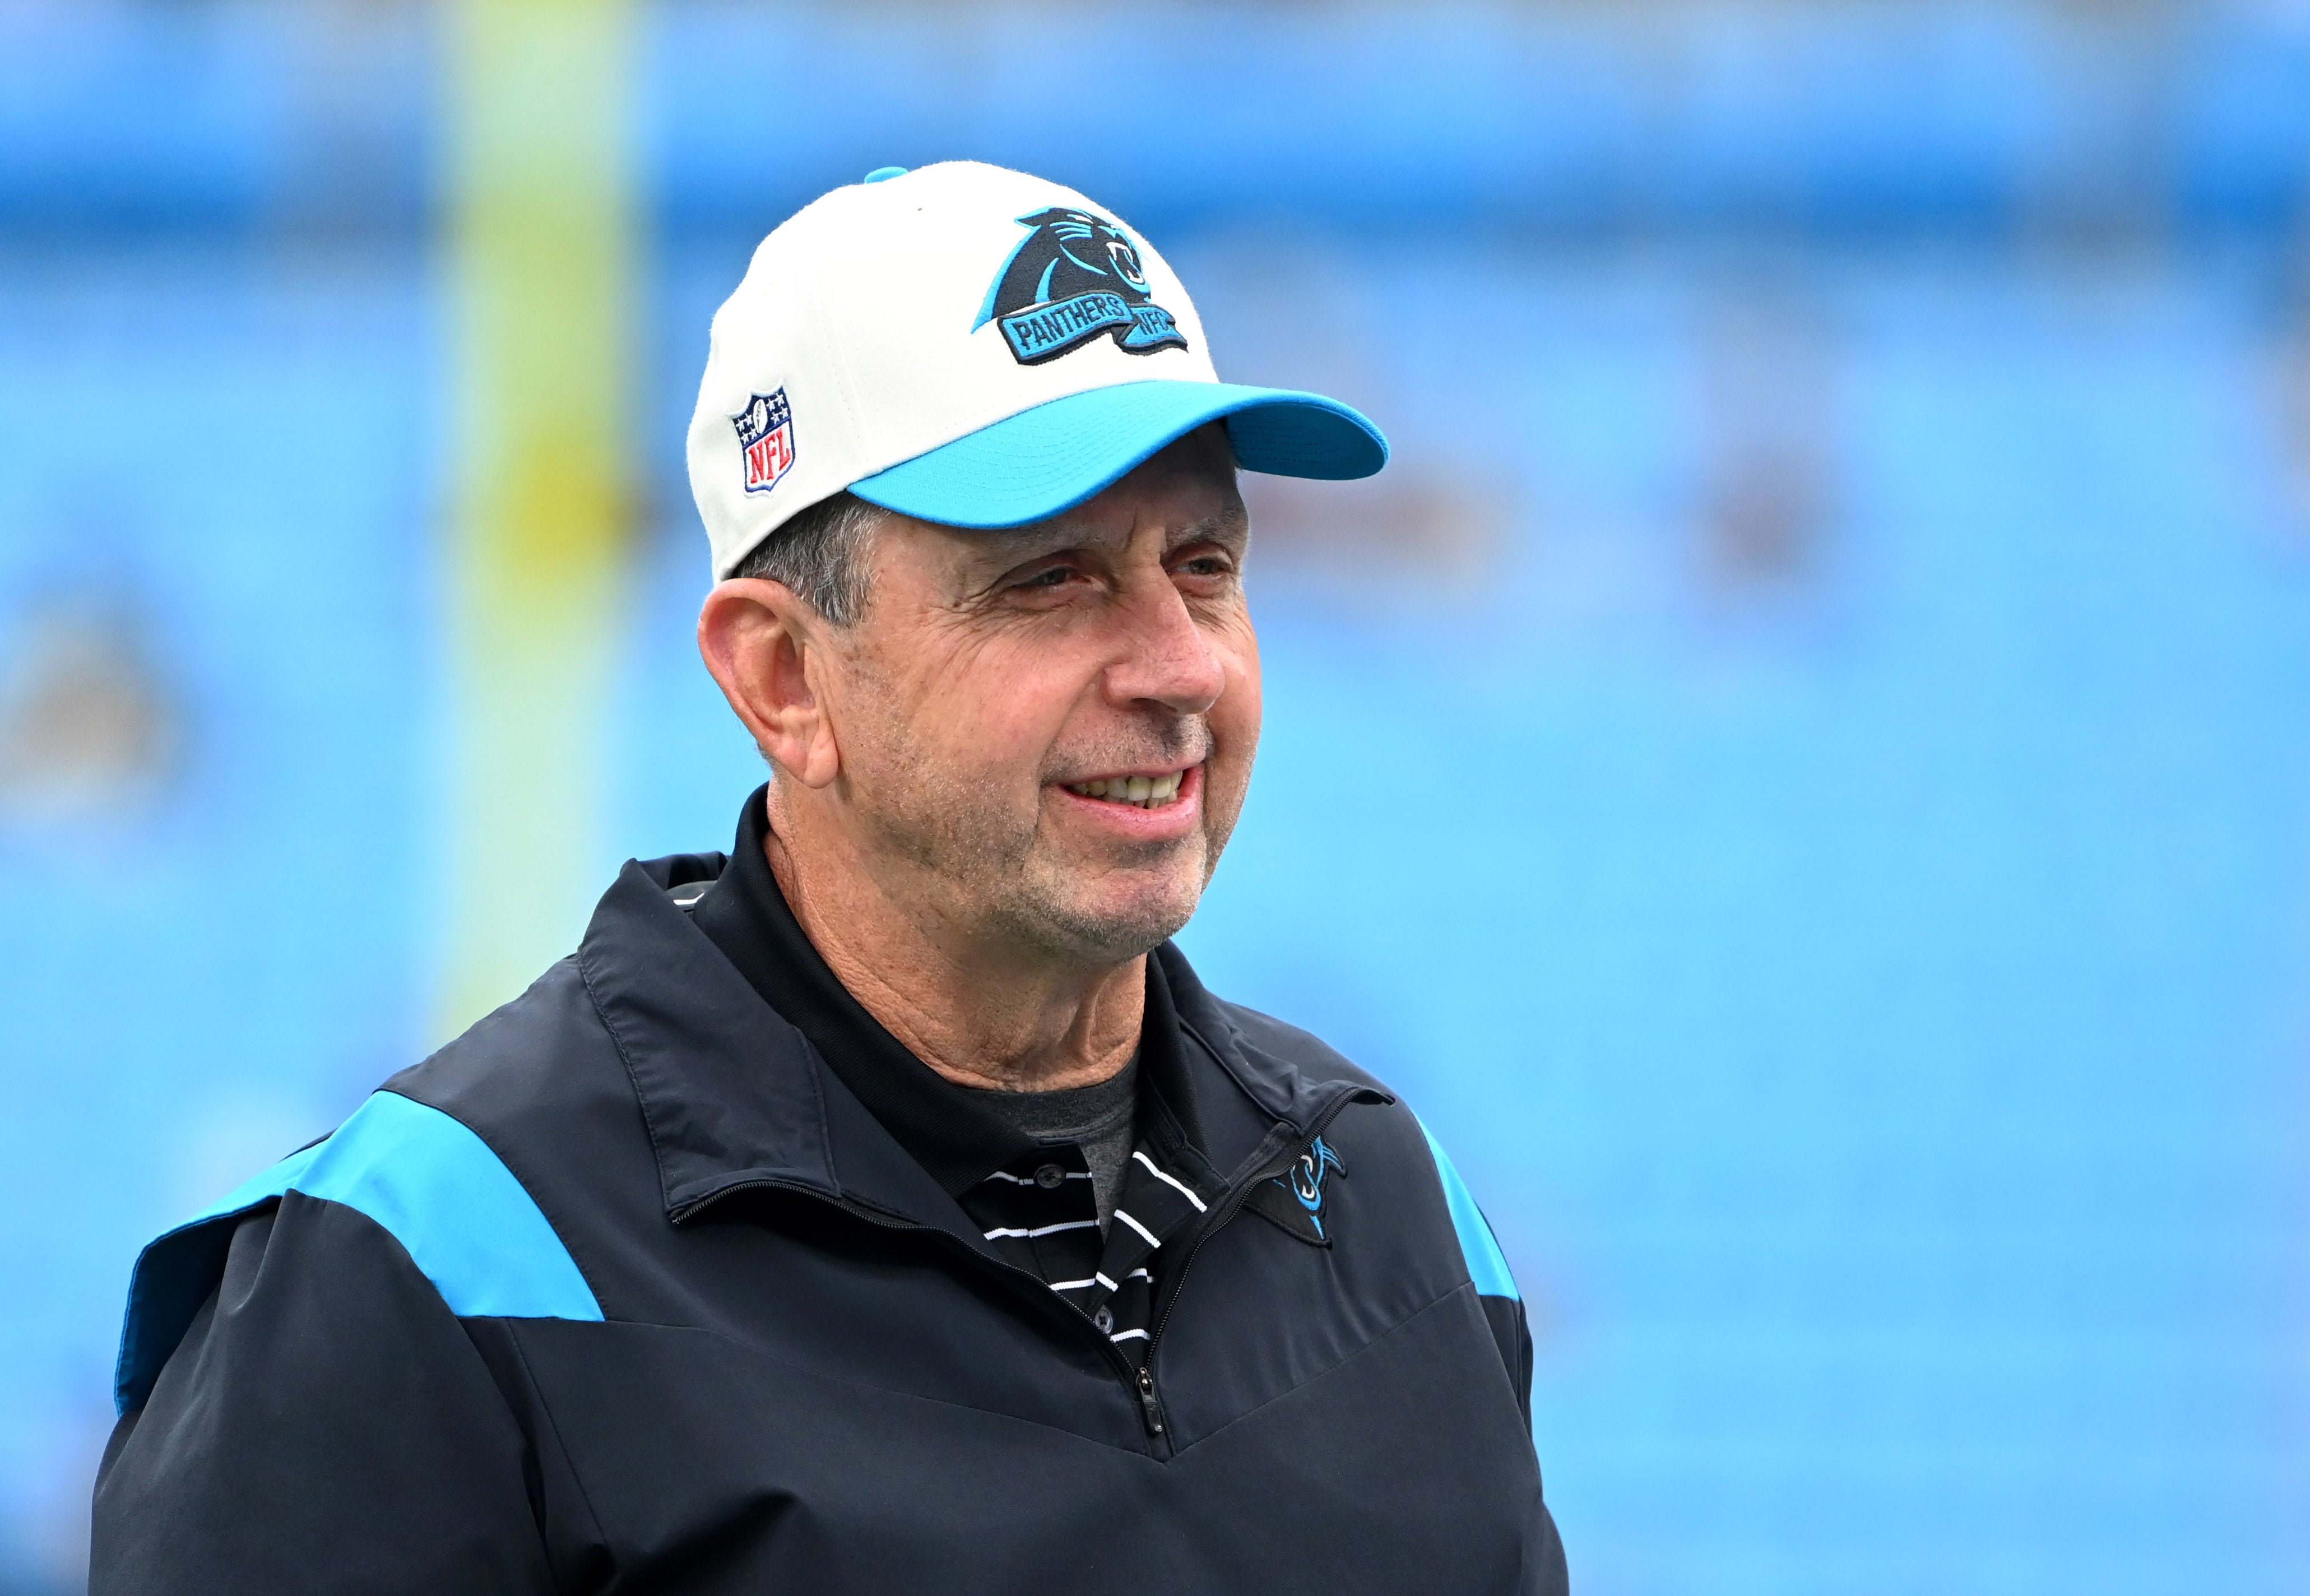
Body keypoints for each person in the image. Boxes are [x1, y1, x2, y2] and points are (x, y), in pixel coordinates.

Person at [91, 161, 1567, 1594]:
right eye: (1052, 579)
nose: (1183, 667)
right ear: (785, 678)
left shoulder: (1391, 1214)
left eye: (1205, 566)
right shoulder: (429, 1270)